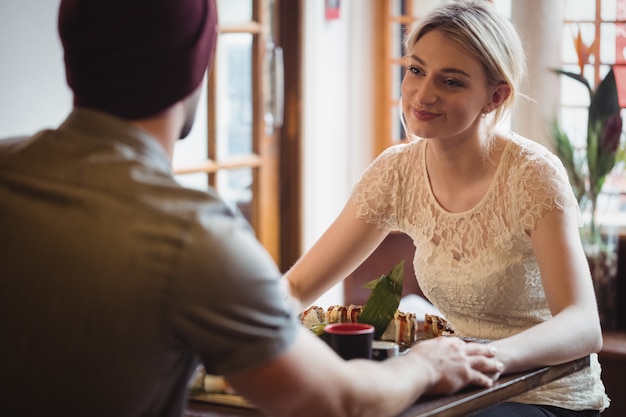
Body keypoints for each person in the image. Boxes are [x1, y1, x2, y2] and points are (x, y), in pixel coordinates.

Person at [0, 1, 503, 417]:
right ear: (197, 66)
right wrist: (426, 365)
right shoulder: (194, 236)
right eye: (415, 70)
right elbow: (337, 402)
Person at [282, 0, 611, 416]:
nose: (423, 93)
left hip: (544, 394)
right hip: (458, 391)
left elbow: (582, 324)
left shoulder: (533, 175)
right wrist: (231, 333)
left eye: (451, 82)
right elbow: (295, 288)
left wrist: (484, 359)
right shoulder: (396, 172)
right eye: (416, 70)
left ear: (495, 96)